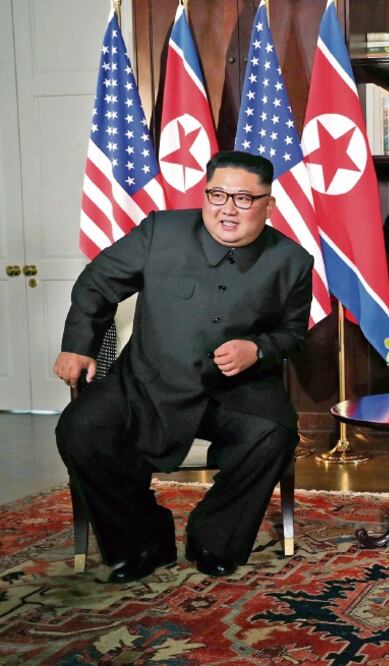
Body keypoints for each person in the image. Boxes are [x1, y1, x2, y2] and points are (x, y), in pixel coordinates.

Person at [54, 150, 312, 583]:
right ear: (205, 193)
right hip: (149, 377)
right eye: (217, 194)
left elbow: (293, 334)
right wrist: (79, 345)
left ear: (270, 204)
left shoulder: (293, 261)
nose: (228, 209)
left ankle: (214, 538)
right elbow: (98, 283)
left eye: (245, 199)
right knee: (80, 430)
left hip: (235, 388)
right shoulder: (161, 231)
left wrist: (258, 349)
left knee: (274, 434)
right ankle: (141, 541)